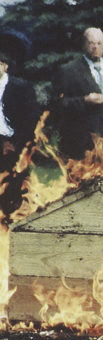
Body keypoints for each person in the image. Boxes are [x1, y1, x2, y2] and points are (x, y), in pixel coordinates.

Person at [53, 27, 103, 159]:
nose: (95, 47)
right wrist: (84, 100)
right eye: (91, 43)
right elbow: (56, 104)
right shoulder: (69, 71)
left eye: (99, 43)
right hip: (84, 146)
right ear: (83, 45)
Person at [0, 50, 40, 220]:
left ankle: (14, 219)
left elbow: (31, 118)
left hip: (16, 142)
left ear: (5, 66)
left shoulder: (21, 87)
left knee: (15, 183)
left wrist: (16, 142)